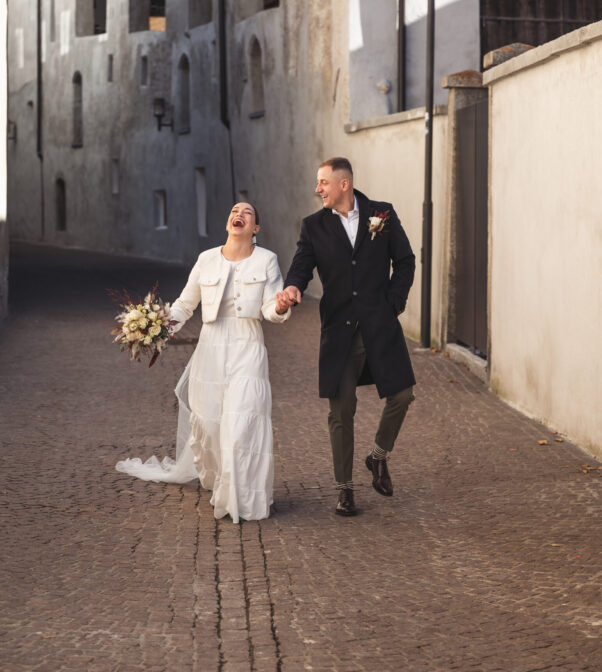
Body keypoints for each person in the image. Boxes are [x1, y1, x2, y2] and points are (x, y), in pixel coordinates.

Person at [116, 202, 292, 523]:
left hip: (248, 346)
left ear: (255, 228)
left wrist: (280, 307)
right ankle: (217, 477)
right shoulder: (206, 259)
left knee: (242, 422)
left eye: (247, 212)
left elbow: (271, 308)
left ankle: (240, 499)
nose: (239, 214)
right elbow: (185, 305)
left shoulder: (267, 260)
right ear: (228, 223)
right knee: (210, 427)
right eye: (234, 211)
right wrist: (154, 326)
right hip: (210, 348)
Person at [278, 157, 416, 517]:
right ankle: (345, 489)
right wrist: (292, 287)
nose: (317, 189)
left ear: (344, 184)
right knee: (341, 411)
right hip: (339, 330)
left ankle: (378, 456)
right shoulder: (314, 226)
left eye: (323, 182)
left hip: (380, 325)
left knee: (403, 395)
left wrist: (393, 304)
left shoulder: (382, 214)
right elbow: (301, 266)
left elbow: (405, 261)